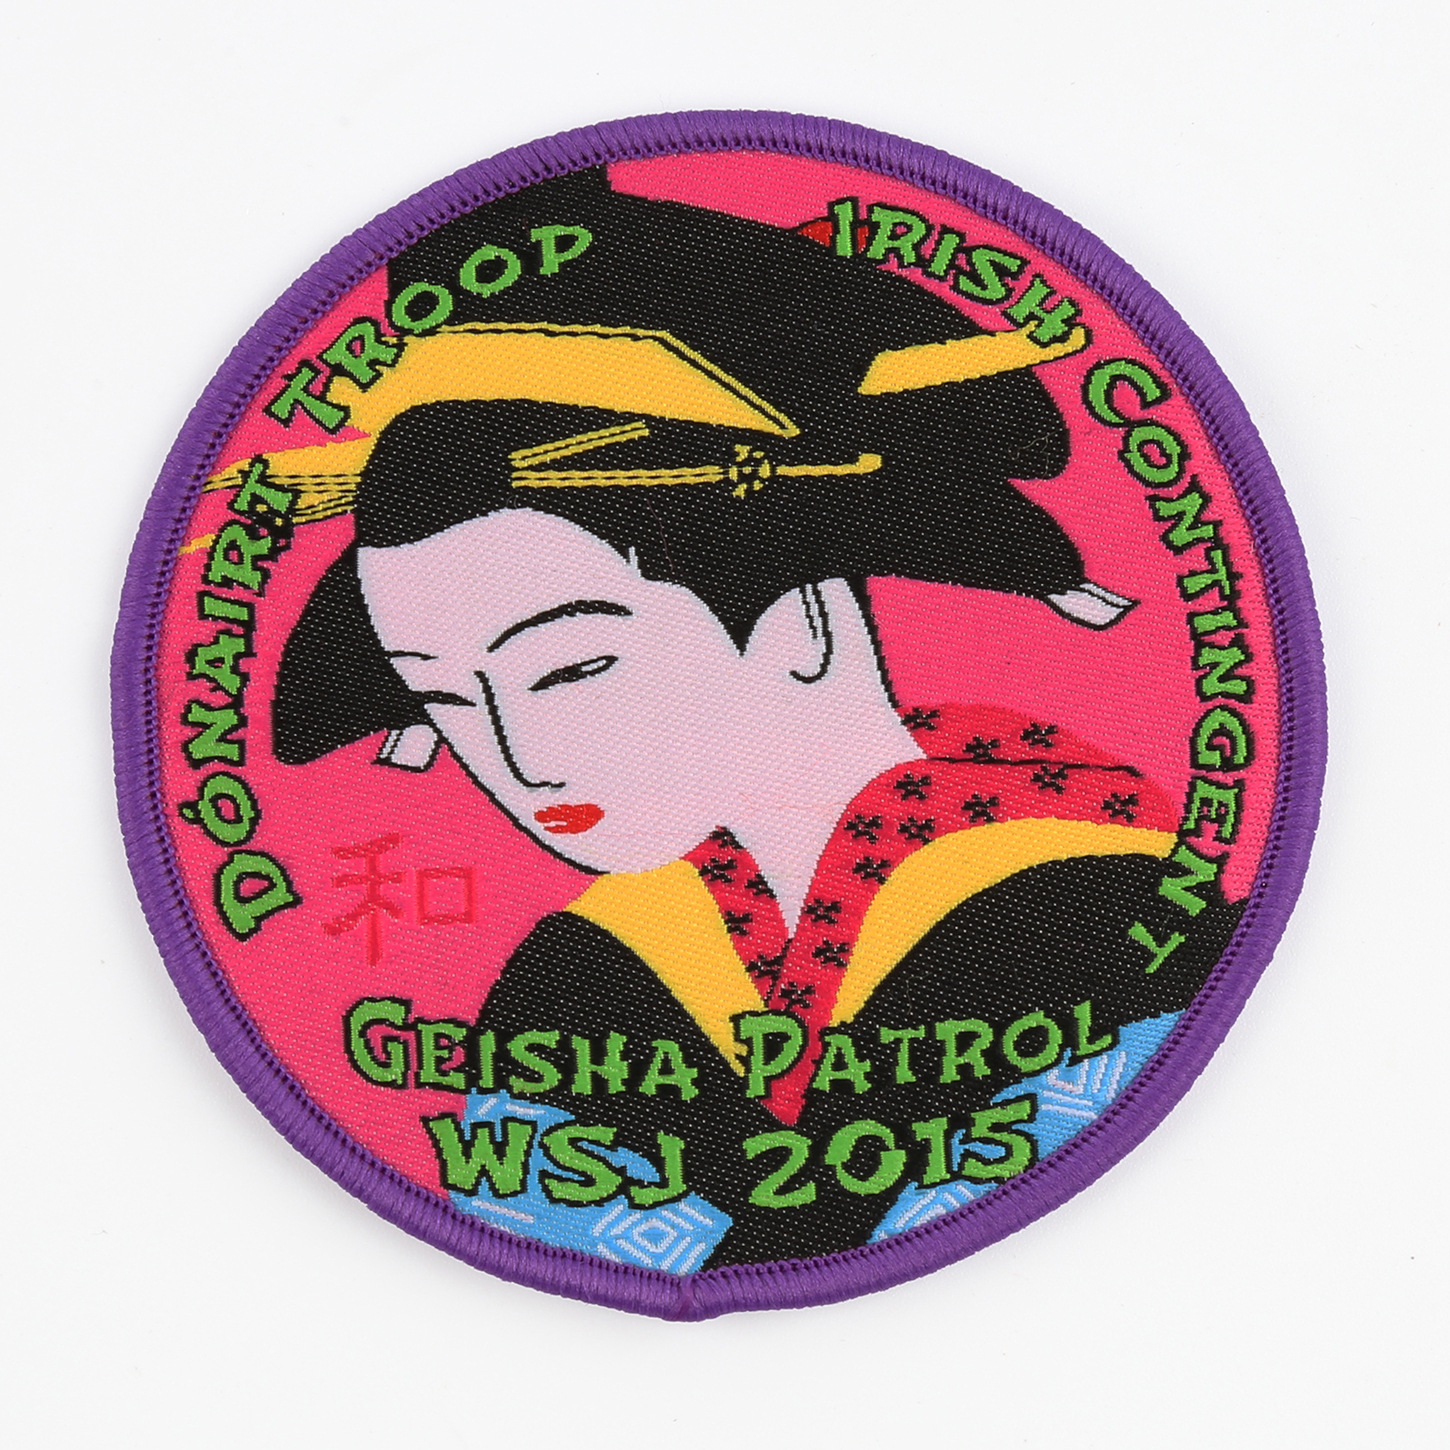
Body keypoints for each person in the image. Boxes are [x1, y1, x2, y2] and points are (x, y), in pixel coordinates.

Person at [265, 169, 1240, 1266]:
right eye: (444, 701)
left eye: (570, 668)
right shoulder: (578, 985)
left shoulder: (1106, 919)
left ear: (799, 622)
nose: (518, 763)